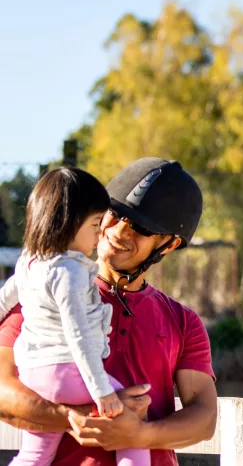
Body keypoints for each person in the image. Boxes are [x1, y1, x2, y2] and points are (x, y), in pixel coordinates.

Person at [0, 158, 217, 465]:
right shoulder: (40, 292)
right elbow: (2, 392)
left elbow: (204, 418)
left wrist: (138, 435)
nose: (118, 231)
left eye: (140, 227)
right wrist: (75, 417)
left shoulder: (184, 322)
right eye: (114, 214)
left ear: (167, 245)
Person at [0, 167, 149, 466]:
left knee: (35, 454)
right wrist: (102, 391)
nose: (100, 233)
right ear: (68, 223)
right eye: (95, 223)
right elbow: (78, 336)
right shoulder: (70, 272)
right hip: (66, 372)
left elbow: (4, 301)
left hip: (34, 374)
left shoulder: (29, 261)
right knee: (131, 429)